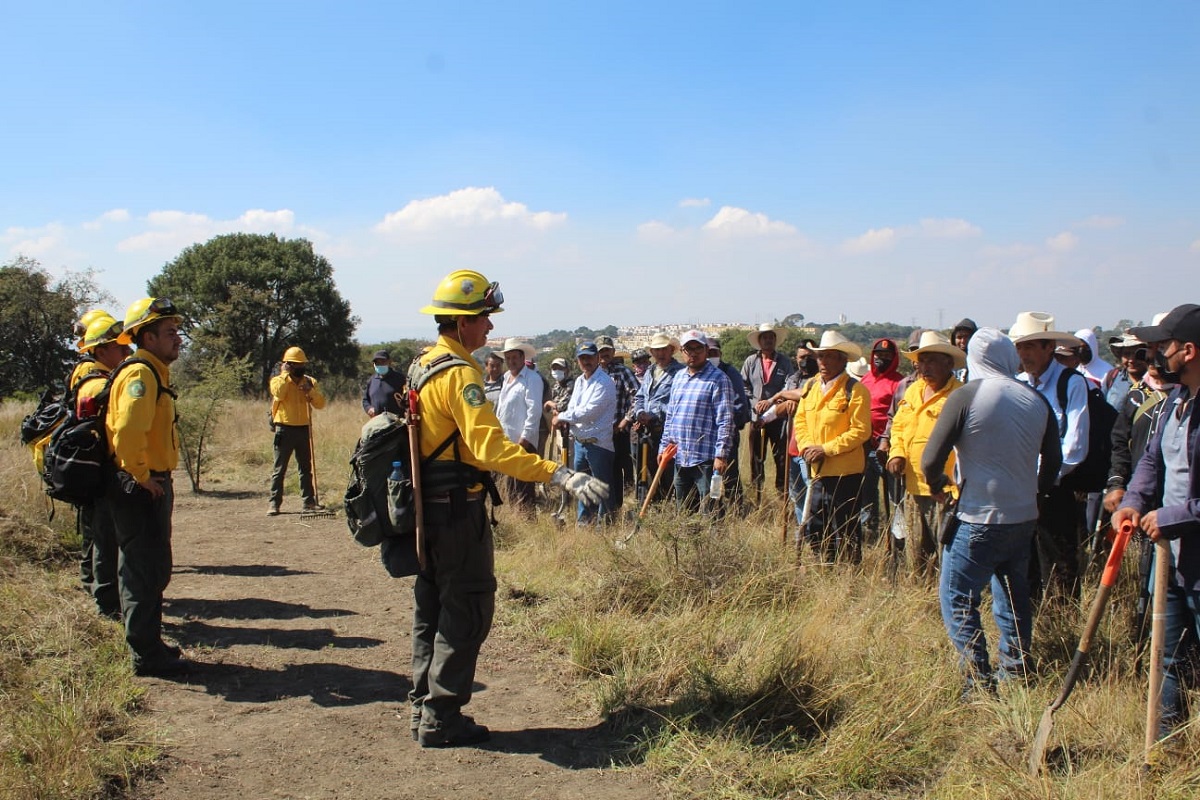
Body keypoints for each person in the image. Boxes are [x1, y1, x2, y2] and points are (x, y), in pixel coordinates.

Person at [409, 270, 607, 747]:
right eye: (483, 319)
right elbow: (487, 450)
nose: (490, 329)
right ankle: (442, 718)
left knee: (431, 606)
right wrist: (557, 472)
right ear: (460, 325)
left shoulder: (423, 364)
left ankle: (423, 707)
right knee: (468, 605)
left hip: (425, 509)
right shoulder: (460, 374)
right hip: (457, 509)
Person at [922, 328, 1061, 699]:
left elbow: (931, 458)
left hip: (978, 515)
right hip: (1022, 514)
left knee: (957, 596)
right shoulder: (1035, 398)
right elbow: (1054, 461)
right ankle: (1015, 670)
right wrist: (1038, 494)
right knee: (1013, 594)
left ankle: (977, 681)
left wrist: (936, 486)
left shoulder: (968, 395)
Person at [1112, 304, 1200, 738]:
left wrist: (1174, 516)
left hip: (1193, 551)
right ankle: (1167, 746)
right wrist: (1134, 500)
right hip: (1171, 556)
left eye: (1161, 346)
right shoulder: (1174, 402)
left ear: (1188, 350)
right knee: (1168, 654)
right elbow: (1151, 461)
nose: (1153, 355)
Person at [105, 297, 191, 676]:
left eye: (177, 331)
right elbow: (126, 432)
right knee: (142, 569)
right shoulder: (141, 375)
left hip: (147, 482)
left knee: (151, 566)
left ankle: (150, 644)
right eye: (170, 332)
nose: (178, 339)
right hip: (141, 486)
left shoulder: (152, 372)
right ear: (148, 337)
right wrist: (141, 477)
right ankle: (146, 656)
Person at [1010, 311, 1090, 601]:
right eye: (1020, 347)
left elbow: (1075, 446)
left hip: (1054, 489)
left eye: (1030, 346)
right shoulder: (1018, 383)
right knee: (1023, 562)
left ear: (1049, 347)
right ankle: (1029, 622)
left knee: (1058, 562)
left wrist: (1041, 482)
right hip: (1020, 489)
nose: (1023, 354)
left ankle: (1061, 624)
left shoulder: (1071, 383)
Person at [782, 331, 871, 563]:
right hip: (816, 471)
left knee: (847, 527)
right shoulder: (810, 387)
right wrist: (806, 447)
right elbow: (800, 420)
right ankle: (824, 567)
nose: (824, 362)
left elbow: (860, 431)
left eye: (830, 356)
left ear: (843, 359)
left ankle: (850, 573)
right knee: (816, 524)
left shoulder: (855, 390)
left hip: (845, 472)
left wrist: (826, 449)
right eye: (821, 356)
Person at [886, 331, 965, 579]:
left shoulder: (960, 395)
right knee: (917, 553)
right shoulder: (913, 391)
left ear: (949, 363)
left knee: (946, 553)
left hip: (945, 490)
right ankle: (921, 602)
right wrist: (896, 453)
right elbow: (898, 426)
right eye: (921, 360)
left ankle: (947, 605)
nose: (924, 366)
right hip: (913, 485)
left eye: (931, 360)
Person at [73, 314, 132, 618]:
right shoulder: (96, 385)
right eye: (118, 347)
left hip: (100, 473)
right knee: (105, 541)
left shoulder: (98, 379)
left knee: (101, 537)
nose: (126, 352)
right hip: (103, 474)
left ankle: (103, 595)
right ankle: (106, 604)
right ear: (99, 351)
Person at [659, 330, 735, 512]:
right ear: (682, 352)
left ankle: (713, 540)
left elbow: (725, 420)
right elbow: (671, 416)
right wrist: (663, 447)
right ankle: (687, 540)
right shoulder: (678, 378)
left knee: (711, 507)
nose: (693, 353)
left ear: (706, 350)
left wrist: (721, 455)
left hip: (706, 459)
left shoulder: (719, 379)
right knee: (684, 510)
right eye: (688, 349)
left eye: (698, 348)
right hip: (680, 455)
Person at [551, 341, 617, 524]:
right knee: (582, 486)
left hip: (598, 444)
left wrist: (563, 417)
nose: (586, 361)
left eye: (589, 357)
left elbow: (589, 412)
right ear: (578, 360)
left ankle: (605, 526)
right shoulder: (580, 381)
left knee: (601, 488)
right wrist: (565, 418)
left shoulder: (605, 382)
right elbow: (574, 406)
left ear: (597, 358)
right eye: (582, 358)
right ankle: (584, 524)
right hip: (580, 441)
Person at [268, 347, 328, 516]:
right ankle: (274, 503)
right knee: (280, 468)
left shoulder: (309, 381)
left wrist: (310, 391)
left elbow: (320, 404)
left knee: (305, 468)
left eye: (303, 364)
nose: (301, 367)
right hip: (284, 428)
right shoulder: (277, 380)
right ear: (288, 365)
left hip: (303, 428)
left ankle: (308, 502)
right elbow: (279, 394)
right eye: (297, 364)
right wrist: (286, 376)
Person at [630, 332, 683, 504]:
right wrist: (639, 414)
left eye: (664, 349)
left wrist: (653, 415)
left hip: (667, 433)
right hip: (647, 432)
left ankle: (667, 510)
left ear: (671, 350)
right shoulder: (650, 371)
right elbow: (640, 397)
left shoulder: (680, 373)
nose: (660, 353)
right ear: (652, 352)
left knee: (667, 475)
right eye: (657, 350)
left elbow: (678, 405)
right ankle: (652, 508)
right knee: (647, 473)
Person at [743, 323, 794, 500]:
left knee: (781, 457)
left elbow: (790, 385)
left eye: (771, 337)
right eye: (764, 337)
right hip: (756, 417)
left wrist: (774, 402)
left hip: (778, 417)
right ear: (759, 341)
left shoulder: (785, 362)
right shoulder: (750, 361)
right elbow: (744, 386)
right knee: (756, 458)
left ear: (775, 340)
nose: (768, 340)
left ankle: (782, 494)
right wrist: (755, 403)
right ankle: (757, 492)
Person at [860, 338, 904, 541]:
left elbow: (898, 417)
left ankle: (897, 539)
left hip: (888, 449)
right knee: (867, 496)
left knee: (895, 497)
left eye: (887, 356)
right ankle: (871, 534)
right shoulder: (865, 380)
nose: (881, 359)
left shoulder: (899, 383)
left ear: (894, 358)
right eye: (878, 355)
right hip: (865, 447)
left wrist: (885, 440)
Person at [494, 338, 544, 513]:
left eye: (514, 357)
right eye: (508, 358)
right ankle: (516, 520)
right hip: (506, 441)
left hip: (523, 442)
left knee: (523, 489)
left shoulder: (532, 379)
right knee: (510, 487)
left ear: (523, 358)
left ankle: (528, 521)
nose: (511, 361)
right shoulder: (506, 378)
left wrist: (525, 439)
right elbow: (502, 410)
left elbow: (534, 411)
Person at [707, 336, 752, 510]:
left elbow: (740, 405)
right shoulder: (702, 373)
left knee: (729, 473)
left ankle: (737, 506)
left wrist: (729, 426)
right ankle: (716, 505)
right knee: (712, 475)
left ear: (720, 353)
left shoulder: (729, 372)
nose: (711, 356)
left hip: (727, 434)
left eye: (714, 352)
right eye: (708, 352)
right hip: (706, 436)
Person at [596, 335, 639, 513]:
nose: (604, 354)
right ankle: (603, 509)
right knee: (600, 472)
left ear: (613, 352)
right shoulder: (592, 373)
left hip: (617, 432)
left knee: (618, 472)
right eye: (601, 351)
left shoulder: (623, 371)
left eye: (607, 350)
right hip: (597, 433)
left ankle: (618, 508)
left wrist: (625, 420)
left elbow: (638, 397)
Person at [362, 349, 406, 417]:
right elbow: (365, 400)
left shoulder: (400, 378)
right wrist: (369, 408)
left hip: (397, 422)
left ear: (389, 362)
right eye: (377, 363)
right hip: (377, 422)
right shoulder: (372, 380)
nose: (380, 365)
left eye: (383, 362)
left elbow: (408, 399)